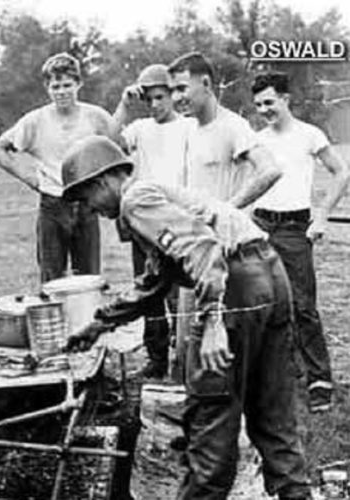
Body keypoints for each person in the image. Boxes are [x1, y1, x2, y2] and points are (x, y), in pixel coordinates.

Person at [63, 135, 311, 500]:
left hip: (233, 290)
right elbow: (158, 278)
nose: (90, 210)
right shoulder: (156, 194)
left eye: (86, 199)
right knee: (273, 418)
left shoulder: (136, 200)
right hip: (268, 275)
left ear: (102, 181)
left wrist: (212, 323)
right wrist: (100, 322)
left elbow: (203, 248)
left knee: (210, 421)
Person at [167, 52, 283, 380]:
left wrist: (228, 210)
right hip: (194, 250)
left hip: (225, 255)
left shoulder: (233, 126)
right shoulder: (189, 129)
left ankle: (236, 426)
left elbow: (271, 170)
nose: (176, 98)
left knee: (221, 350)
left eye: (181, 89)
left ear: (205, 83)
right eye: (172, 91)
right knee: (188, 346)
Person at [251, 71, 350, 412]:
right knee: (264, 304)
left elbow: (341, 172)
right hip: (261, 225)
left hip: (295, 228)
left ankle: (320, 382)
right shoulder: (257, 139)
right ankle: (278, 376)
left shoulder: (309, 134)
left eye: (269, 102)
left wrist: (321, 215)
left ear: (285, 99)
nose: (264, 109)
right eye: (258, 104)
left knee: (303, 306)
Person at [0, 52, 115, 283]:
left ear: (79, 84)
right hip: (53, 203)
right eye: (55, 86)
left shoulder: (95, 116)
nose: (61, 92)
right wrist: (30, 179)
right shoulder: (35, 120)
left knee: (89, 278)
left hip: (87, 203)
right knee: (52, 279)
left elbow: (119, 144)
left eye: (67, 85)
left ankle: (87, 319)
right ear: (47, 88)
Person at [112, 63, 194, 378]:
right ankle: (157, 358)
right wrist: (124, 105)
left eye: (160, 97)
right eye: (150, 99)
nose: (155, 105)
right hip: (142, 223)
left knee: (180, 293)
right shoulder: (140, 129)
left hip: (175, 219)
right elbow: (107, 140)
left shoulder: (188, 127)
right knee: (149, 293)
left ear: (173, 94)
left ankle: (184, 357)